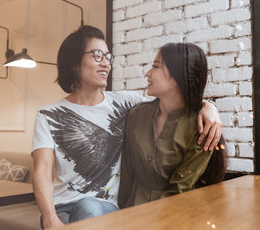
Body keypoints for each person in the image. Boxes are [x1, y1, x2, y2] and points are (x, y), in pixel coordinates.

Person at [31, 26, 222, 229]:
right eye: (97, 56)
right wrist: (50, 219)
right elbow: (41, 171)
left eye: (107, 57)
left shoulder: (125, 103)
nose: (106, 63)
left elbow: (174, 100)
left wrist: (209, 106)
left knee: (88, 208)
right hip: (61, 208)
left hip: (106, 208)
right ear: (74, 63)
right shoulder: (48, 115)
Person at [118, 43, 228, 208]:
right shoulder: (136, 115)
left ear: (178, 77)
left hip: (177, 214)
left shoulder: (202, 127)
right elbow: (126, 175)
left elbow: (180, 188)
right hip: (131, 209)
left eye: (155, 67)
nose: (147, 73)